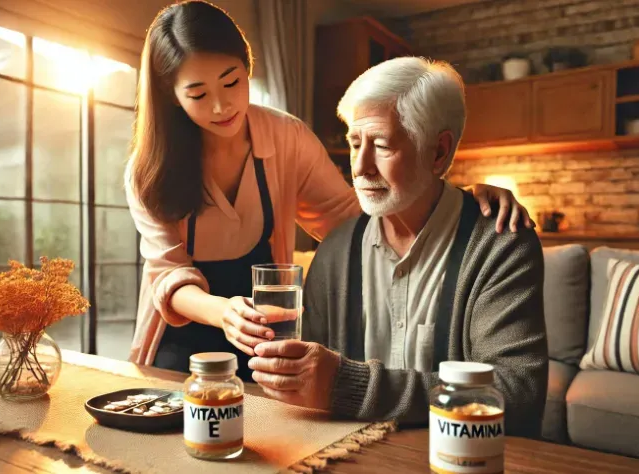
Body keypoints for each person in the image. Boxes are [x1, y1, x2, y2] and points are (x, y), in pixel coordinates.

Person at [125, 0, 533, 381]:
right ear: (172, 97)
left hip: (263, 336)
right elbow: (168, 274)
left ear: (247, 67)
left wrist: (456, 199)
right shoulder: (150, 170)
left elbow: (356, 217)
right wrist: (223, 313)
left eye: (232, 82)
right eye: (197, 94)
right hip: (179, 340)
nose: (221, 106)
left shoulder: (287, 137)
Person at [247, 57, 548, 438]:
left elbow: (518, 396)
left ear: (439, 152)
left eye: (382, 146)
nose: (360, 166)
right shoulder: (336, 250)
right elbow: (306, 392)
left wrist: (346, 385)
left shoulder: (500, 244)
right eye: (355, 143)